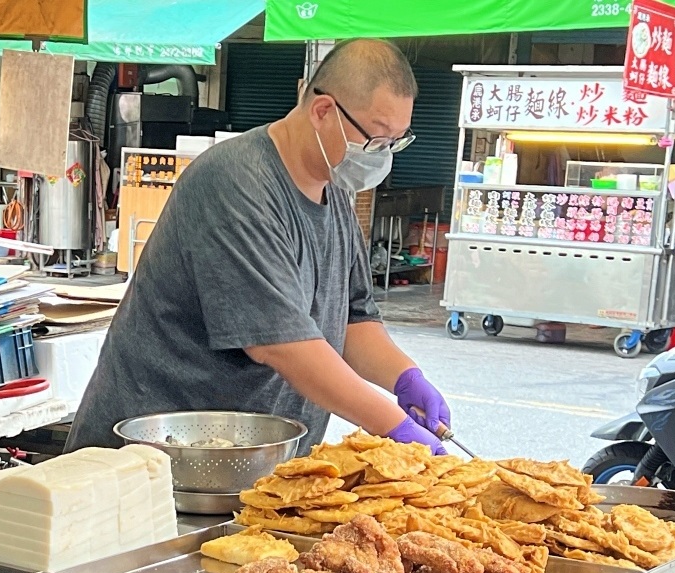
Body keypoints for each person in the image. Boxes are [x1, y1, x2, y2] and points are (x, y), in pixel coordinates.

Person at [66, 39, 451, 456]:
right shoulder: (235, 183)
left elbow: (352, 319)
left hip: (248, 459)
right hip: (160, 454)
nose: (383, 157)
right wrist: (391, 427)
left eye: (396, 142)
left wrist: (405, 378)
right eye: (376, 140)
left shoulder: (335, 191)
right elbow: (281, 344)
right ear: (323, 112)